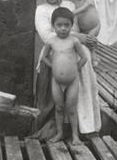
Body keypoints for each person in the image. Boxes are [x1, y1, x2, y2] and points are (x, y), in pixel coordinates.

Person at [31, 0, 101, 142]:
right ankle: (59, 130)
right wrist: (81, 37)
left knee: (82, 94)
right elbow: (48, 36)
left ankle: (85, 129)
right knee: (58, 102)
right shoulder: (41, 10)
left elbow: (83, 24)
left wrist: (91, 36)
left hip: (77, 58)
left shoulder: (70, 5)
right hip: (56, 58)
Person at [36, 8, 89, 146]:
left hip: (72, 81)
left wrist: (75, 68)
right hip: (56, 81)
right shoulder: (51, 41)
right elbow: (44, 57)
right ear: (53, 26)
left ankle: (75, 135)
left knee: (71, 108)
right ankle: (59, 133)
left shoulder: (74, 41)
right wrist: (53, 66)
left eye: (67, 25)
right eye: (59, 25)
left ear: (72, 25)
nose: (63, 28)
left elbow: (84, 58)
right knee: (59, 107)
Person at [72, 0, 101, 66]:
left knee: (90, 42)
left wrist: (72, 13)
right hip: (83, 28)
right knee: (87, 43)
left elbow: (83, 9)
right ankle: (89, 57)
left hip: (94, 27)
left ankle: (93, 57)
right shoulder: (75, 1)